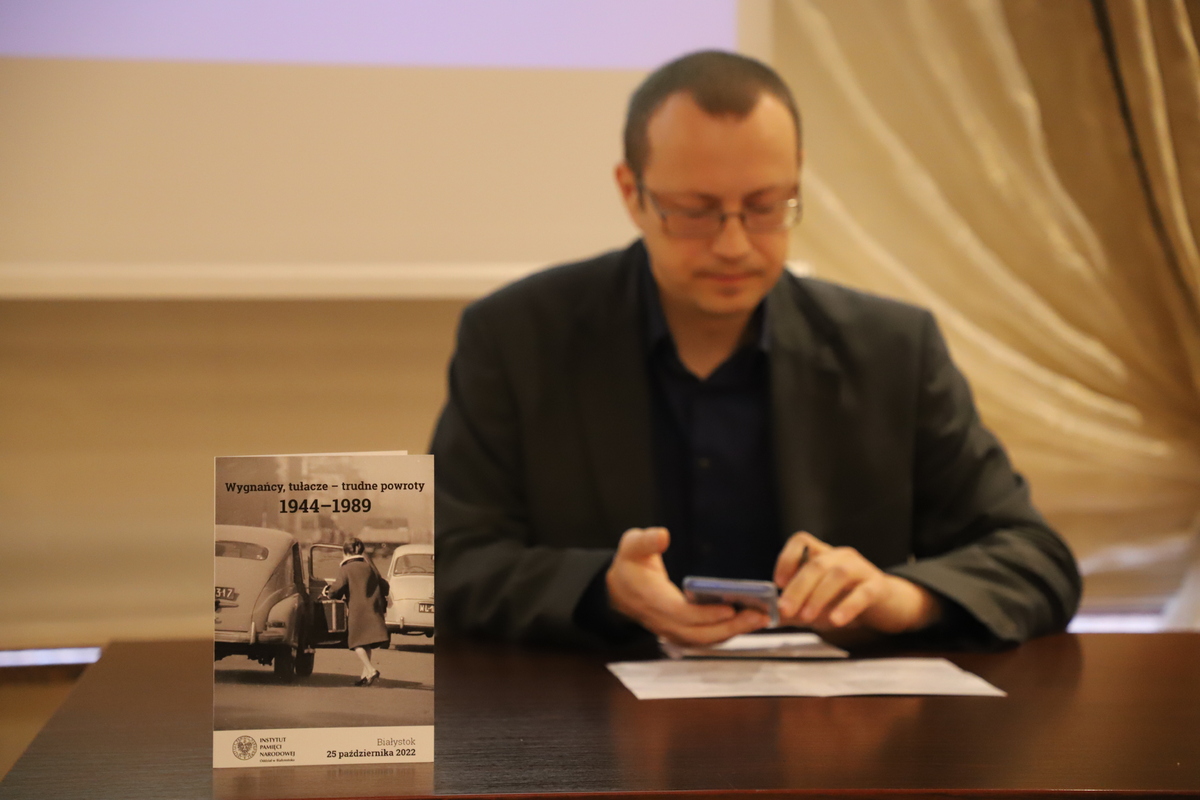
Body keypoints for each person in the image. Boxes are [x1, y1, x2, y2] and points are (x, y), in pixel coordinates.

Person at [431, 50, 1081, 649]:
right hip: (588, 719)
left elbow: (1035, 559)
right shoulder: (516, 338)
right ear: (632, 194)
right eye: (696, 210)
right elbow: (440, 561)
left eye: (767, 207)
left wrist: (900, 598)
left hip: (834, 726)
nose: (734, 244)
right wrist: (603, 589)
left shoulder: (892, 350)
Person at [326, 538, 390, 684]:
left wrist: (328, 592)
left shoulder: (346, 568)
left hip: (357, 611)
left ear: (346, 552)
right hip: (373, 609)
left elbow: (336, 590)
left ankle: (371, 670)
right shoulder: (370, 567)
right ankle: (365, 676)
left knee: (356, 643)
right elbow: (384, 586)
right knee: (366, 642)